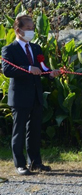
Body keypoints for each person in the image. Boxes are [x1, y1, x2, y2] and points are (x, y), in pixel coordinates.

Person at [2, 14, 61, 175]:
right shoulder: (9, 49)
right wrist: (28, 69)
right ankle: (20, 164)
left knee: (34, 131)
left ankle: (35, 162)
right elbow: (7, 70)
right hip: (20, 96)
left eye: (32, 28)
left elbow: (41, 68)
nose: (31, 32)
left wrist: (50, 73)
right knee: (19, 131)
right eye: (28, 29)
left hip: (36, 95)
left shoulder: (36, 48)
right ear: (18, 30)